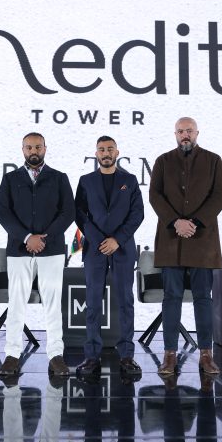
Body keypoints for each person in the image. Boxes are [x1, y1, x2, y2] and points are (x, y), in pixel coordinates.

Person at [149, 117, 222, 376]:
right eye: (181, 131)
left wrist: (194, 222)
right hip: (171, 241)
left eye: (189, 131)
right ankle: (169, 355)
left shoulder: (213, 160)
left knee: (203, 298)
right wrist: (176, 222)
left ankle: (206, 354)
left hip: (202, 241)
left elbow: (219, 196)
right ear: (175, 134)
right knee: (171, 298)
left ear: (197, 133)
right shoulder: (163, 161)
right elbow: (155, 195)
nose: (185, 135)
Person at [0, 132, 75, 378]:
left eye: (38, 147)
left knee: (53, 304)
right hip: (19, 250)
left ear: (45, 148)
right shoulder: (10, 179)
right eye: (29, 147)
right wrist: (26, 237)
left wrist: (43, 239)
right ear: (23, 150)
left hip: (51, 250)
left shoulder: (59, 178)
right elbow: (3, 213)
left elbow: (68, 212)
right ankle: (12, 355)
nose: (34, 151)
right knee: (16, 303)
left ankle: (56, 356)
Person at [74, 136, 144, 379]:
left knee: (125, 301)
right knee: (93, 303)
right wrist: (98, 239)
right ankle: (92, 356)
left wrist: (117, 240)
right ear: (96, 153)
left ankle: (126, 355)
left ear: (117, 152)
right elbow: (79, 214)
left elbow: (137, 214)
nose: (106, 153)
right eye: (102, 149)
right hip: (95, 250)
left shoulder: (130, 180)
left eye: (110, 149)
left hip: (122, 249)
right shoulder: (86, 181)